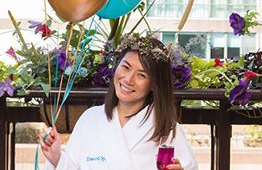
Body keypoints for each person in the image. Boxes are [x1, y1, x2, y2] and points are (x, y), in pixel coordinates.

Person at [40, 33, 198, 170]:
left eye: (141, 75)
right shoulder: (90, 118)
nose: (128, 79)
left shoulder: (166, 128)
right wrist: (57, 158)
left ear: (153, 85)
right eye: (126, 67)